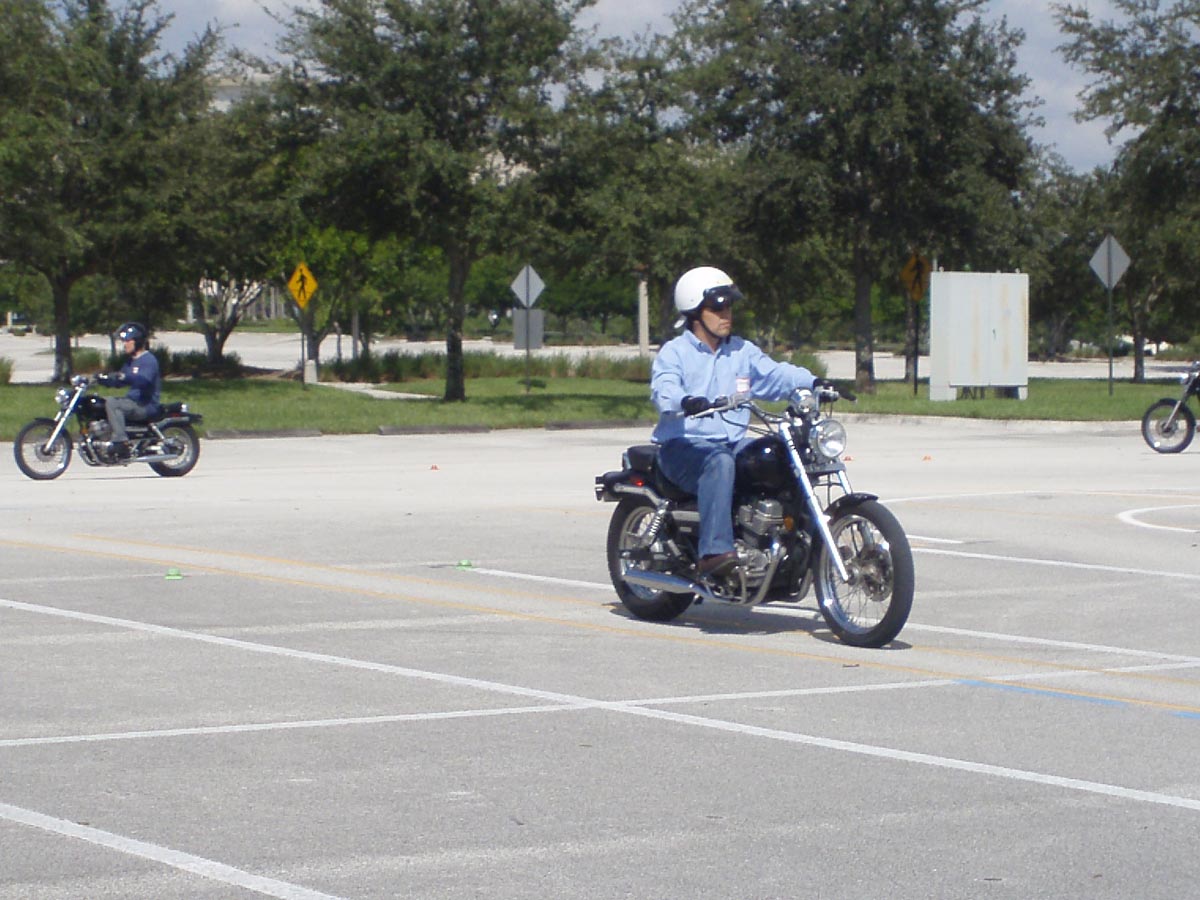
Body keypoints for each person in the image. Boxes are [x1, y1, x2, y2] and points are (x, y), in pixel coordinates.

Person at [651, 266, 818, 578]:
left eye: (729, 306)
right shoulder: (675, 353)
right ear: (695, 311)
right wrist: (686, 401)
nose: (726, 313)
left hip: (732, 442)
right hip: (682, 447)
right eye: (717, 307)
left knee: (780, 455)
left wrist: (815, 382)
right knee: (719, 462)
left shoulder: (742, 351)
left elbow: (776, 375)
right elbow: (665, 389)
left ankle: (797, 540)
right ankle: (714, 553)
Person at [96, 322, 161, 459]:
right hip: (132, 402)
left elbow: (143, 380)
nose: (124, 344)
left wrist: (126, 377)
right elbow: (120, 381)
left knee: (113, 403)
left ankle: (121, 442)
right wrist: (103, 379)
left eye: (127, 341)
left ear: (137, 341)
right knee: (101, 402)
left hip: (145, 405)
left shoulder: (149, 360)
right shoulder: (130, 362)